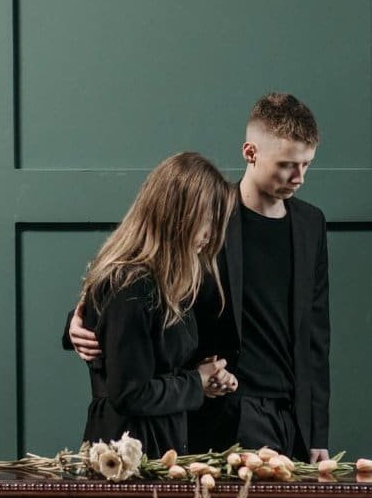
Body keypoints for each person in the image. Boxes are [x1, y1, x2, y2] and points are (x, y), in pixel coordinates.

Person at [68, 93, 331, 462]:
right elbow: (143, 279)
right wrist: (79, 321)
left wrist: (317, 432)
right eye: (287, 165)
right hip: (220, 413)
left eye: (306, 164)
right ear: (250, 153)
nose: (299, 177)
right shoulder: (205, 211)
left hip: (291, 415)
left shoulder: (310, 224)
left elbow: (315, 334)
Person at [76, 152, 238, 458]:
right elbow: (130, 393)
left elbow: (156, 368)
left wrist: (206, 378)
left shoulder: (166, 282)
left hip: (156, 448)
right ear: (179, 215)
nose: (212, 235)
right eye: (208, 221)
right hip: (127, 454)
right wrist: (197, 381)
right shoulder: (131, 285)